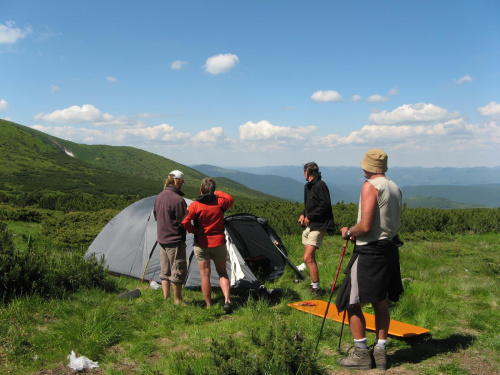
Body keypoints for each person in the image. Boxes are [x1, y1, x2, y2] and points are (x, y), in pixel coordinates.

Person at [336, 149, 404, 371]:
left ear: (372, 168)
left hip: (369, 252)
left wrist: (348, 231)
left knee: (351, 301)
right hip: (389, 250)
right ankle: (381, 352)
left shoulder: (370, 186)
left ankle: (361, 353)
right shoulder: (395, 187)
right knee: (380, 302)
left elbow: (364, 227)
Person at [181, 178, 234, 313]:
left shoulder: (195, 206)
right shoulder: (220, 203)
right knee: (222, 273)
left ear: (200, 190)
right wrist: (217, 192)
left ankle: (209, 305)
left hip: (202, 244)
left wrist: (194, 230)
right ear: (213, 191)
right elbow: (230, 198)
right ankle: (227, 300)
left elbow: (184, 221)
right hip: (219, 243)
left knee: (205, 275)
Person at [298, 162, 335, 295]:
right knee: (309, 257)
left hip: (319, 225)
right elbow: (309, 205)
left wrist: (311, 217)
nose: (304, 174)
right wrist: (304, 214)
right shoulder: (308, 186)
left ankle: (316, 288)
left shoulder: (320, 185)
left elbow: (325, 205)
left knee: (308, 258)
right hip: (311, 225)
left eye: (304, 171)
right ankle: (314, 284)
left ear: (307, 172)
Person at [153, 170, 188, 305]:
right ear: (179, 182)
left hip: (162, 239)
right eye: (182, 182)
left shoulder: (160, 196)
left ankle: (166, 298)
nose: (182, 185)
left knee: (165, 270)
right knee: (177, 270)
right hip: (175, 240)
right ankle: (178, 300)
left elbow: (156, 216)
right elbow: (183, 222)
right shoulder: (178, 200)